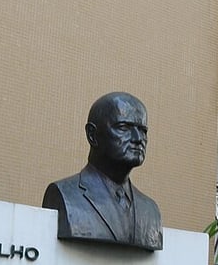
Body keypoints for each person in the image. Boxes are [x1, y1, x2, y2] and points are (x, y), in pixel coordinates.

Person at [43, 92, 163, 251]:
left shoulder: (150, 209)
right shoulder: (64, 194)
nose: (138, 138)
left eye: (143, 130)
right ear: (92, 135)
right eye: (123, 128)